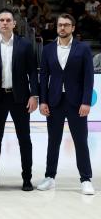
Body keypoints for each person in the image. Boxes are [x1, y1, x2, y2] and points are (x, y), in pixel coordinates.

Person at [38, 14, 95, 195]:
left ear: (73, 28)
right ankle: (50, 177)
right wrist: (43, 101)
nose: (62, 28)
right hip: (54, 101)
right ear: (56, 28)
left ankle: (86, 179)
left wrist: (86, 102)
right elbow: (44, 77)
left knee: (81, 141)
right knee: (53, 141)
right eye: (60, 25)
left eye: (66, 25)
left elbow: (88, 77)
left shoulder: (83, 49)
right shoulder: (47, 49)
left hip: (76, 102)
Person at [0, 9, 38, 191]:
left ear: (14, 23)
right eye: (2, 20)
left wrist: (34, 95)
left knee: (24, 139)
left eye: (8, 20)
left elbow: (32, 72)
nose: (5, 23)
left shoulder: (25, 45)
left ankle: (27, 178)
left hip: (20, 98)